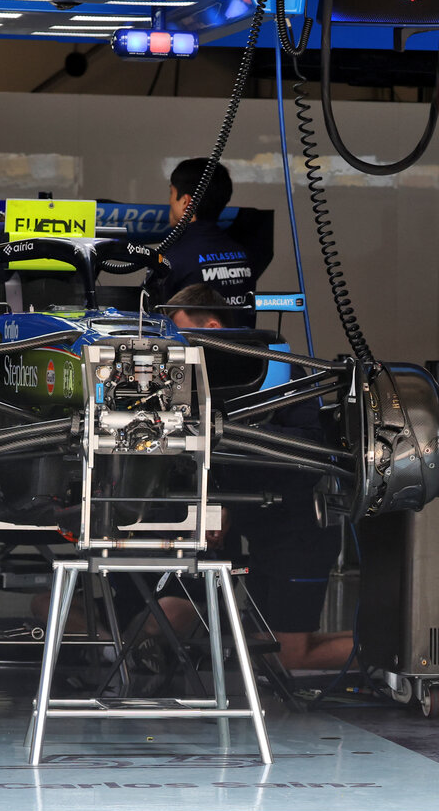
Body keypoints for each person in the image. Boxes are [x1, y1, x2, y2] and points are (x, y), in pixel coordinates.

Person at [169, 284, 352, 670]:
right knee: (265, 645)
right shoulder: (200, 382)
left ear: (213, 326)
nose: (177, 347)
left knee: (288, 654)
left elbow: (311, 450)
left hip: (302, 530)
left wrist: (234, 433)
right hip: (263, 531)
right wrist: (225, 508)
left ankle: (403, 659)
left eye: (182, 335)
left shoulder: (275, 368)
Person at [147, 159, 256, 314]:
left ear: (185, 202)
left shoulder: (171, 259)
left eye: (171, 193)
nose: (170, 201)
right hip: (242, 339)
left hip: (189, 339)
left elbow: (148, 317)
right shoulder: (244, 255)